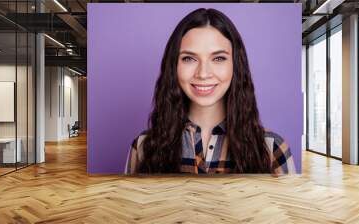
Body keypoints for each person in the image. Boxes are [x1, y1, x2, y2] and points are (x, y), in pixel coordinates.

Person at [124, 8, 296, 175]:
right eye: (189, 58)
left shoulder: (272, 148)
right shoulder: (143, 147)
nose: (203, 73)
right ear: (173, 66)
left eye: (219, 58)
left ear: (236, 65)